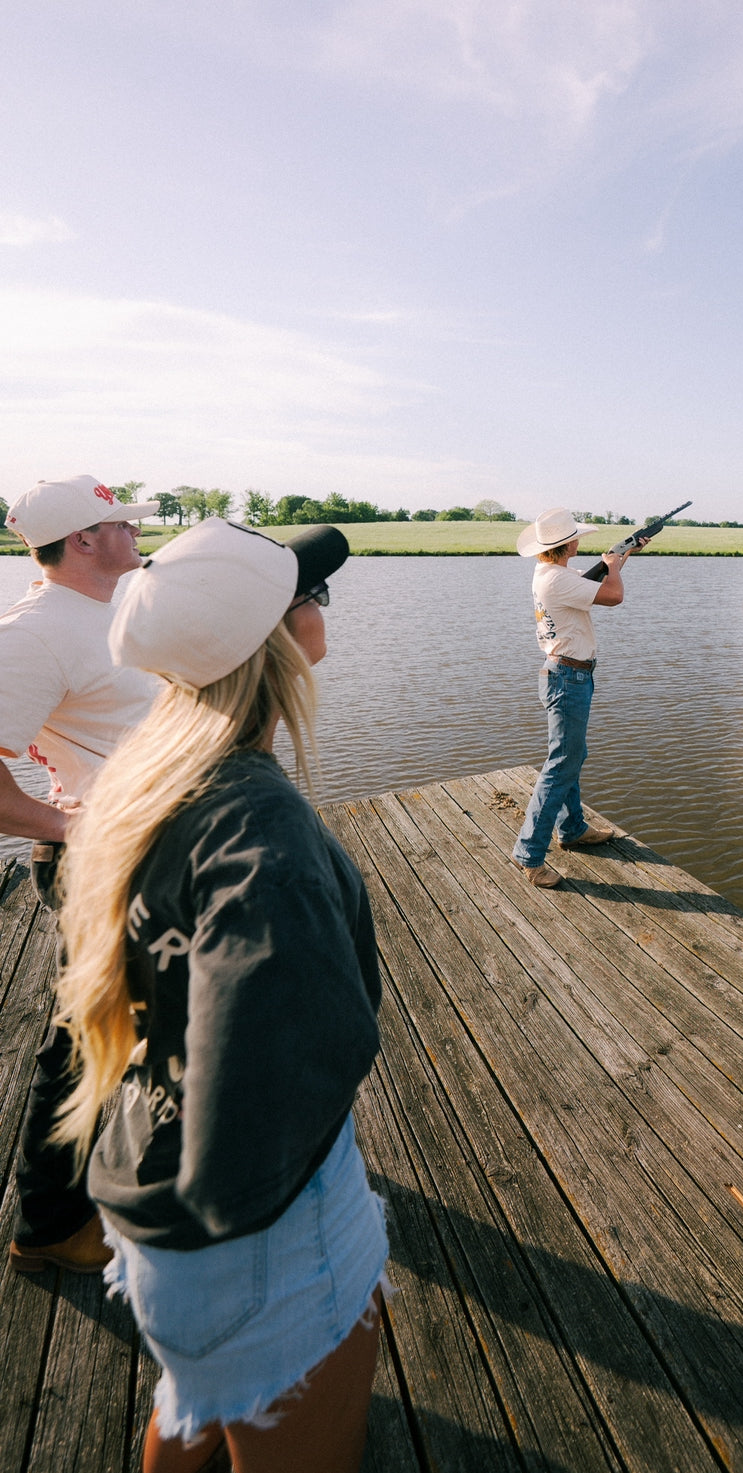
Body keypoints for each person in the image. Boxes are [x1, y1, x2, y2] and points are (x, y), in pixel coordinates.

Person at [51, 517, 388, 1473]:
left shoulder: (149, 777)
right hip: (266, 1245)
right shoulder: (263, 840)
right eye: (309, 595)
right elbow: (257, 1121)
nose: (323, 606)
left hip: (150, 1205)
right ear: (276, 641)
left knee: (190, 1400)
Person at [2, 474, 159, 1275]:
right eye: (121, 522)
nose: (136, 532)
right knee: (80, 1041)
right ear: (86, 540)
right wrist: (71, 826)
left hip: (159, 852)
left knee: (155, 1023)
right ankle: (47, 1223)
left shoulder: (121, 607)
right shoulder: (31, 633)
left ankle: (152, 1168)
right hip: (100, 864)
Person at [511, 508, 645, 888]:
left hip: (565, 674)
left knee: (570, 755)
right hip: (568, 677)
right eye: (575, 537)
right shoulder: (558, 581)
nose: (579, 541)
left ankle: (571, 828)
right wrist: (613, 567)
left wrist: (622, 556)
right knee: (561, 764)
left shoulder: (551, 574)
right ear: (567, 544)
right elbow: (614, 595)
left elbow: (595, 580)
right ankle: (530, 855)